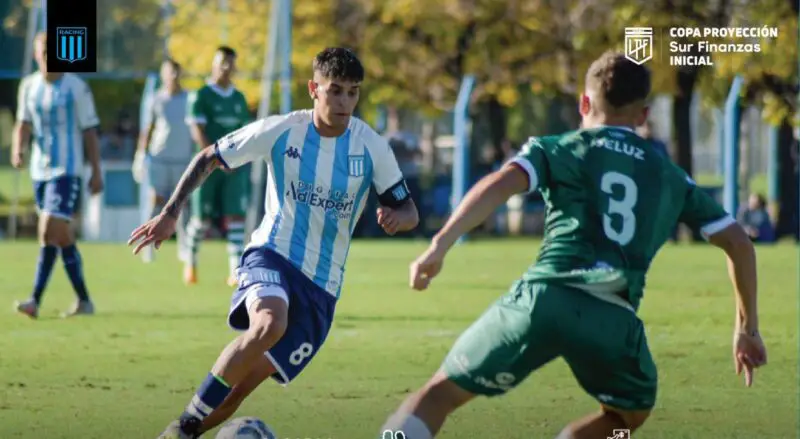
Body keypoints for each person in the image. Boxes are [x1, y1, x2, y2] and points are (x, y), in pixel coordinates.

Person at [379, 51, 767, 439]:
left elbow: (497, 185)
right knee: (625, 418)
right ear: (644, 116)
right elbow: (738, 243)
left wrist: (440, 245)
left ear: (584, 102)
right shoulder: (671, 176)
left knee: (437, 395)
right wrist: (746, 328)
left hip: (544, 298)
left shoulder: (557, 147)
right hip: (613, 315)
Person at [127, 47, 419, 439]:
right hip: (273, 254)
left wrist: (398, 218)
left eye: (353, 92)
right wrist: (171, 212)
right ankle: (184, 423)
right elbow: (209, 156)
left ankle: (178, 433)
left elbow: (410, 210)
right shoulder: (283, 130)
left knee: (236, 395)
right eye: (335, 91)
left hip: (322, 286)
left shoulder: (372, 147)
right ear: (314, 89)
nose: (345, 101)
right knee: (269, 322)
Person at [12, 32, 104, 319]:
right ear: (36, 54)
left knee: (47, 227)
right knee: (60, 237)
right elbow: (23, 123)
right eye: (43, 51)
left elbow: (89, 131)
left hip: (68, 171)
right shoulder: (29, 86)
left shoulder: (76, 87)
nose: (47, 56)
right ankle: (85, 301)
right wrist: (18, 149)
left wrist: (96, 171)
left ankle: (34, 301)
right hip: (40, 170)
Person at [184, 46, 252, 286]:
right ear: (213, 63)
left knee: (235, 217)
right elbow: (197, 130)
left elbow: (245, 132)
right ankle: (190, 259)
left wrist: (238, 158)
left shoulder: (239, 98)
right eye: (222, 62)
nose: (226, 67)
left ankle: (235, 271)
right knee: (201, 220)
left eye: (230, 63)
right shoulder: (201, 95)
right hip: (208, 169)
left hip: (233, 168)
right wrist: (214, 158)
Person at [134, 58, 194, 262]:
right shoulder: (156, 99)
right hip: (159, 158)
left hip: (182, 159)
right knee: (156, 202)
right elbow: (148, 129)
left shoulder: (189, 98)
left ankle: (184, 247)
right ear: (163, 75)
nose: (174, 76)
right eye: (170, 72)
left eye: (177, 72)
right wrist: (140, 154)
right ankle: (148, 245)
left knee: (182, 203)